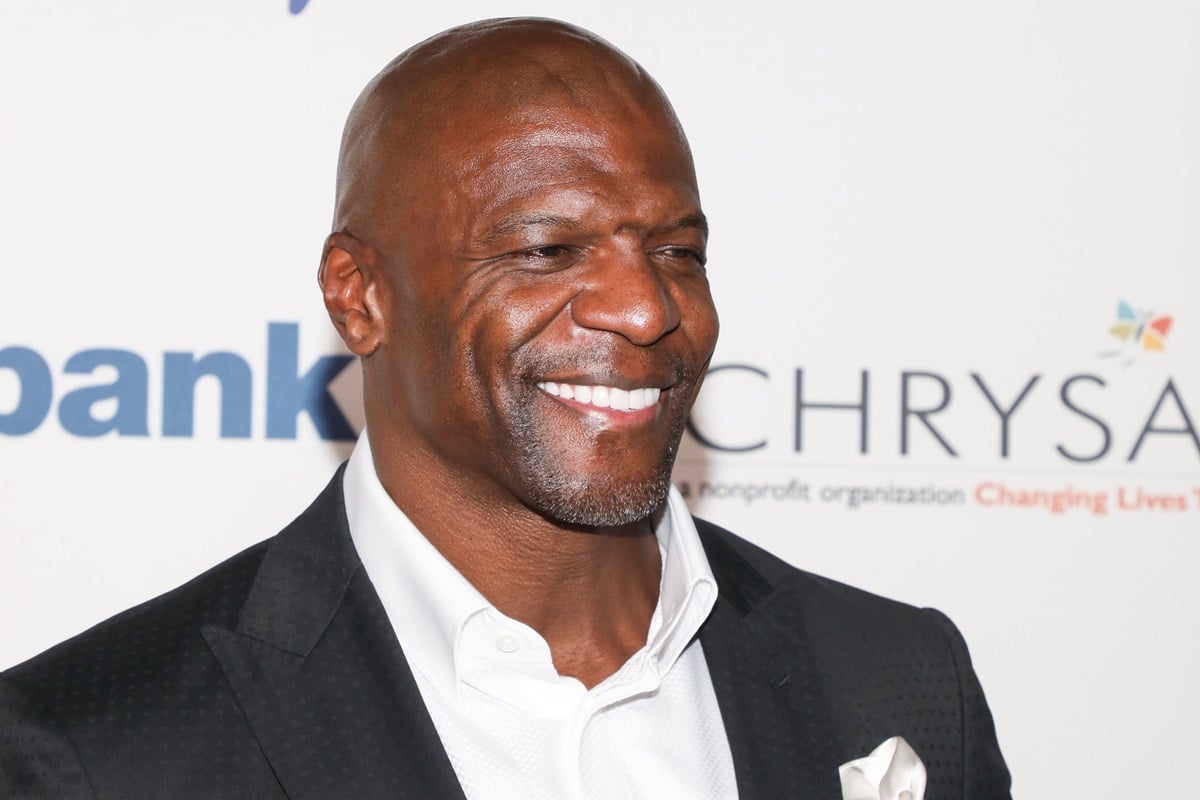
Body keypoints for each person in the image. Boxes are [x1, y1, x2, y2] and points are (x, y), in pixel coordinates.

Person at [0, 17, 1010, 799]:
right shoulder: (100, 742)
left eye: (678, 252)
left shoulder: (896, 679)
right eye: (547, 249)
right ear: (361, 295)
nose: (646, 306)